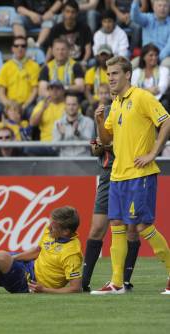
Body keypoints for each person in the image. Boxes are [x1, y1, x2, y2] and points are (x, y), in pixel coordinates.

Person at [91, 56, 170, 295]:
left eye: (115, 73)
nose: (110, 78)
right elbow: (106, 141)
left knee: (143, 225)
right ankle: (116, 283)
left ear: (127, 75)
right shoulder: (115, 103)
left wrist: (153, 153)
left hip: (140, 173)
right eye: (108, 74)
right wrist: (99, 121)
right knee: (116, 224)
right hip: (117, 174)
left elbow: (166, 122)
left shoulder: (142, 97)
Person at [82, 99, 140, 292]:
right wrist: (105, 144)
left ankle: (123, 281)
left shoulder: (134, 108)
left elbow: (131, 144)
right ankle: (83, 282)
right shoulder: (103, 114)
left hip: (131, 173)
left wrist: (109, 143)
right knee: (97, 229)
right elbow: (95, 149)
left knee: (131, 229)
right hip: (108, 175)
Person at [0, 35, 40, 119]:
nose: (20, 48)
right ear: (12, 48)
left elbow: (35, 90)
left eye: (23, 46)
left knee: (33, 114)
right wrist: (9, 106)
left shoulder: (34, 66)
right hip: (9, 103)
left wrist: (24, 106)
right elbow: (1, 92)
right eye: (16, 46)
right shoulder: (5, 66)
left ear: (26, 48)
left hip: (27, 104)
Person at [43, 0, 93, 65]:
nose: (70, 15)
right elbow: (50, 49)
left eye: (73, 12)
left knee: (92, 62)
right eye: (67, 11)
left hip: (79, 62)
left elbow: (88, 50)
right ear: (63, 12)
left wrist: (84, 62)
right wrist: (45, 63)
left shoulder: (84, 28)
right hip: (60, 63)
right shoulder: (56, 29)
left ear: (77, 13)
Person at [52, 92, 94, 157]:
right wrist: (62, 135)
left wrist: (79, 134)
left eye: (74, 104)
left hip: (83, 161)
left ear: (79, 105)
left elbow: (93, 145)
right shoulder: (58, 123)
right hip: (65, 162)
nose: (71, 107)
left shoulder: (88, 121)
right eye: (68, 104)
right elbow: (54, 148)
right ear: (65, 106)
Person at [130, 0, 170, 68]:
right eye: (160, 5)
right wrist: (136, 2)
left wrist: (156, 58)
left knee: (167, 64)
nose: (162, 8)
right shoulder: (147, 18)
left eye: (165, 6)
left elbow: (169, 46)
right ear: (153, 7)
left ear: (169, 8)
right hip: (145, 56)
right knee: (129, 67)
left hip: (163, 57)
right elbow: (134, 17)